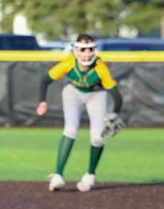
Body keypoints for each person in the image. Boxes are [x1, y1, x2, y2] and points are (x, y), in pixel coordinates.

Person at [36, 34, 123, 192]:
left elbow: (117, 95)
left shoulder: (100, 68)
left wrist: (115, 113)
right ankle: (58, 176)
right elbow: (45, 80)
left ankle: (90, 175)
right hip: (73, 92)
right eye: (83, 49)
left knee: (97, 137)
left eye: (90, 49)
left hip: (96, 95)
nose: (87, 53)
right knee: (70, 130)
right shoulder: (68, 63)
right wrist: (42, 101)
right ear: (76, 51)